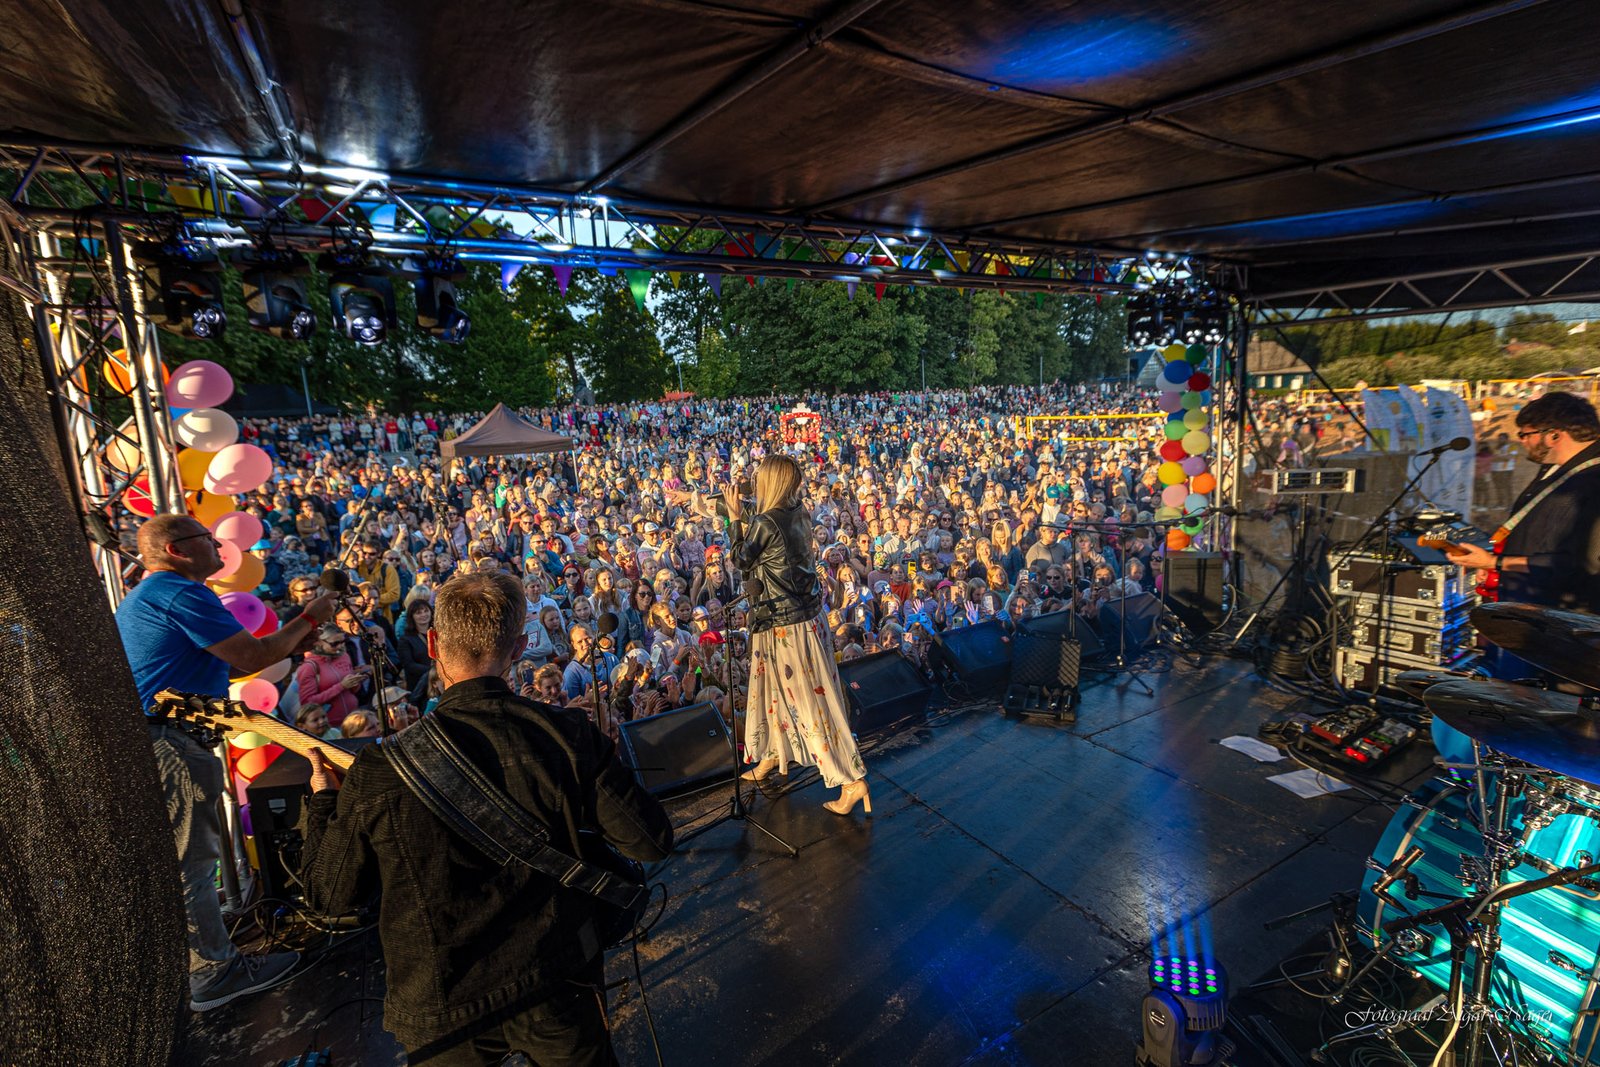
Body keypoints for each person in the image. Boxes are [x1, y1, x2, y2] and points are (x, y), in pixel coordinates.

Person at [298, 572, 674, 1065]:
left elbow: (330, 897)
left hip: (441, 1001)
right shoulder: (565, 734)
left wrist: (324, 801)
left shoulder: (381, 768)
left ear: (433, 642)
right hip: (556, 974)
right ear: (519, 647)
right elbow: (650, 841)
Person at [114, 513, 338, 1011]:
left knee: (195, 858)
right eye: (207, 539)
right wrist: (312, 615)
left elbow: (232, 663)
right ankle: (213, 974)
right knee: (193, 862)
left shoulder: (157, 595)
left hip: (168, 739)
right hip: (170, 742)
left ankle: (212, 961)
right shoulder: (178, 593)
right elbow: (253, 657)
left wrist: (294, 640)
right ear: (176, 550)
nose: (219, 547)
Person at [717, 455, 870, 815]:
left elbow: (741, 558)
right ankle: (771, 754)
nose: (752, 483)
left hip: (786, 626)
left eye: (757, 478)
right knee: (770, 691)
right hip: (799, 618)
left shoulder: (765, 522)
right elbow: (764, 523)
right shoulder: (796, 511)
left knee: (807, 703)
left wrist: (734, 518)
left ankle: (850, 781)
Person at [1444, 392, 1600, 619]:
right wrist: (1493, 562)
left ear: (1553, 436)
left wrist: (1497, 562)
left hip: (1564, 621)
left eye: (1526, 434)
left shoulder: (1593, 481)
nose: (1522, 441)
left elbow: (1584, 563)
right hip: (1527, 607)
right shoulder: (1553, 468)